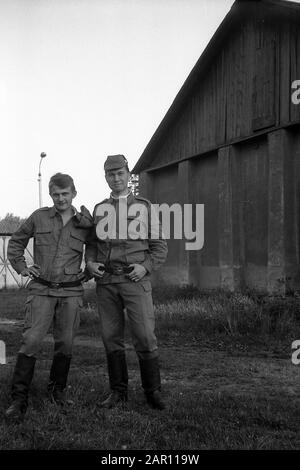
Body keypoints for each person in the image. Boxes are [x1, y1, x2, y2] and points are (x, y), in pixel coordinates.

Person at [5, 173, 93, 422]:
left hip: (71, 291)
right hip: (41, 289)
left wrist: (90, 268)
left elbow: (96, 247)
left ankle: (57, 392)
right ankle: (18, 399)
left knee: (65, 342)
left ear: (73, 194)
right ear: (52, 194)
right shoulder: (39, 217)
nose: (60, 198)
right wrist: (22, 267)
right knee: (31, 340)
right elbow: (16, 243)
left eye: (65, 194)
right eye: (56, 194)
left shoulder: (84, 222)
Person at [86, 154, 168, 410]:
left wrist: (144, 268)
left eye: (120, 173)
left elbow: (159, 246)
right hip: (107, 282)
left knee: (144, 335)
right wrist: (89, 264)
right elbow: (91, 245)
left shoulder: (144, 207)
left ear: (128, 174)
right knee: (111, 337)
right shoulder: (100, 209)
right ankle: (118, 392)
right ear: (106, 177)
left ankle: (152, 391)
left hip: (134, 281)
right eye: (111, 174)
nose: (116, 178)